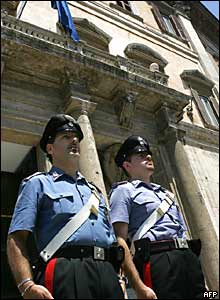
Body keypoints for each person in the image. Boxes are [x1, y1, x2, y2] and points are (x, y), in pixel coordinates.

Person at [7, 115, 157, 299]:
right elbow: (16, 237)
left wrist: (122, 279)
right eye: (65, 137)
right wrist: (26, 285)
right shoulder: (38, 184)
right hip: (66, 270)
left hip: (106, 272)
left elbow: (113, 241)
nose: (74, 140)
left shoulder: (94, 192)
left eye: (76, 137)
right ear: (50, 148)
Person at [109, 135, 208, 299]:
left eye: (148, 154)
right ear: (127, 165)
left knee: (207, 296)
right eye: (140, 155)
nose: (148, 157)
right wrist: (138, 286)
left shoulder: (167, 194)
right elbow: (120, 239)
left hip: (187, 257)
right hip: (158, 260)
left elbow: (182, 231)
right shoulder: (123, 191)